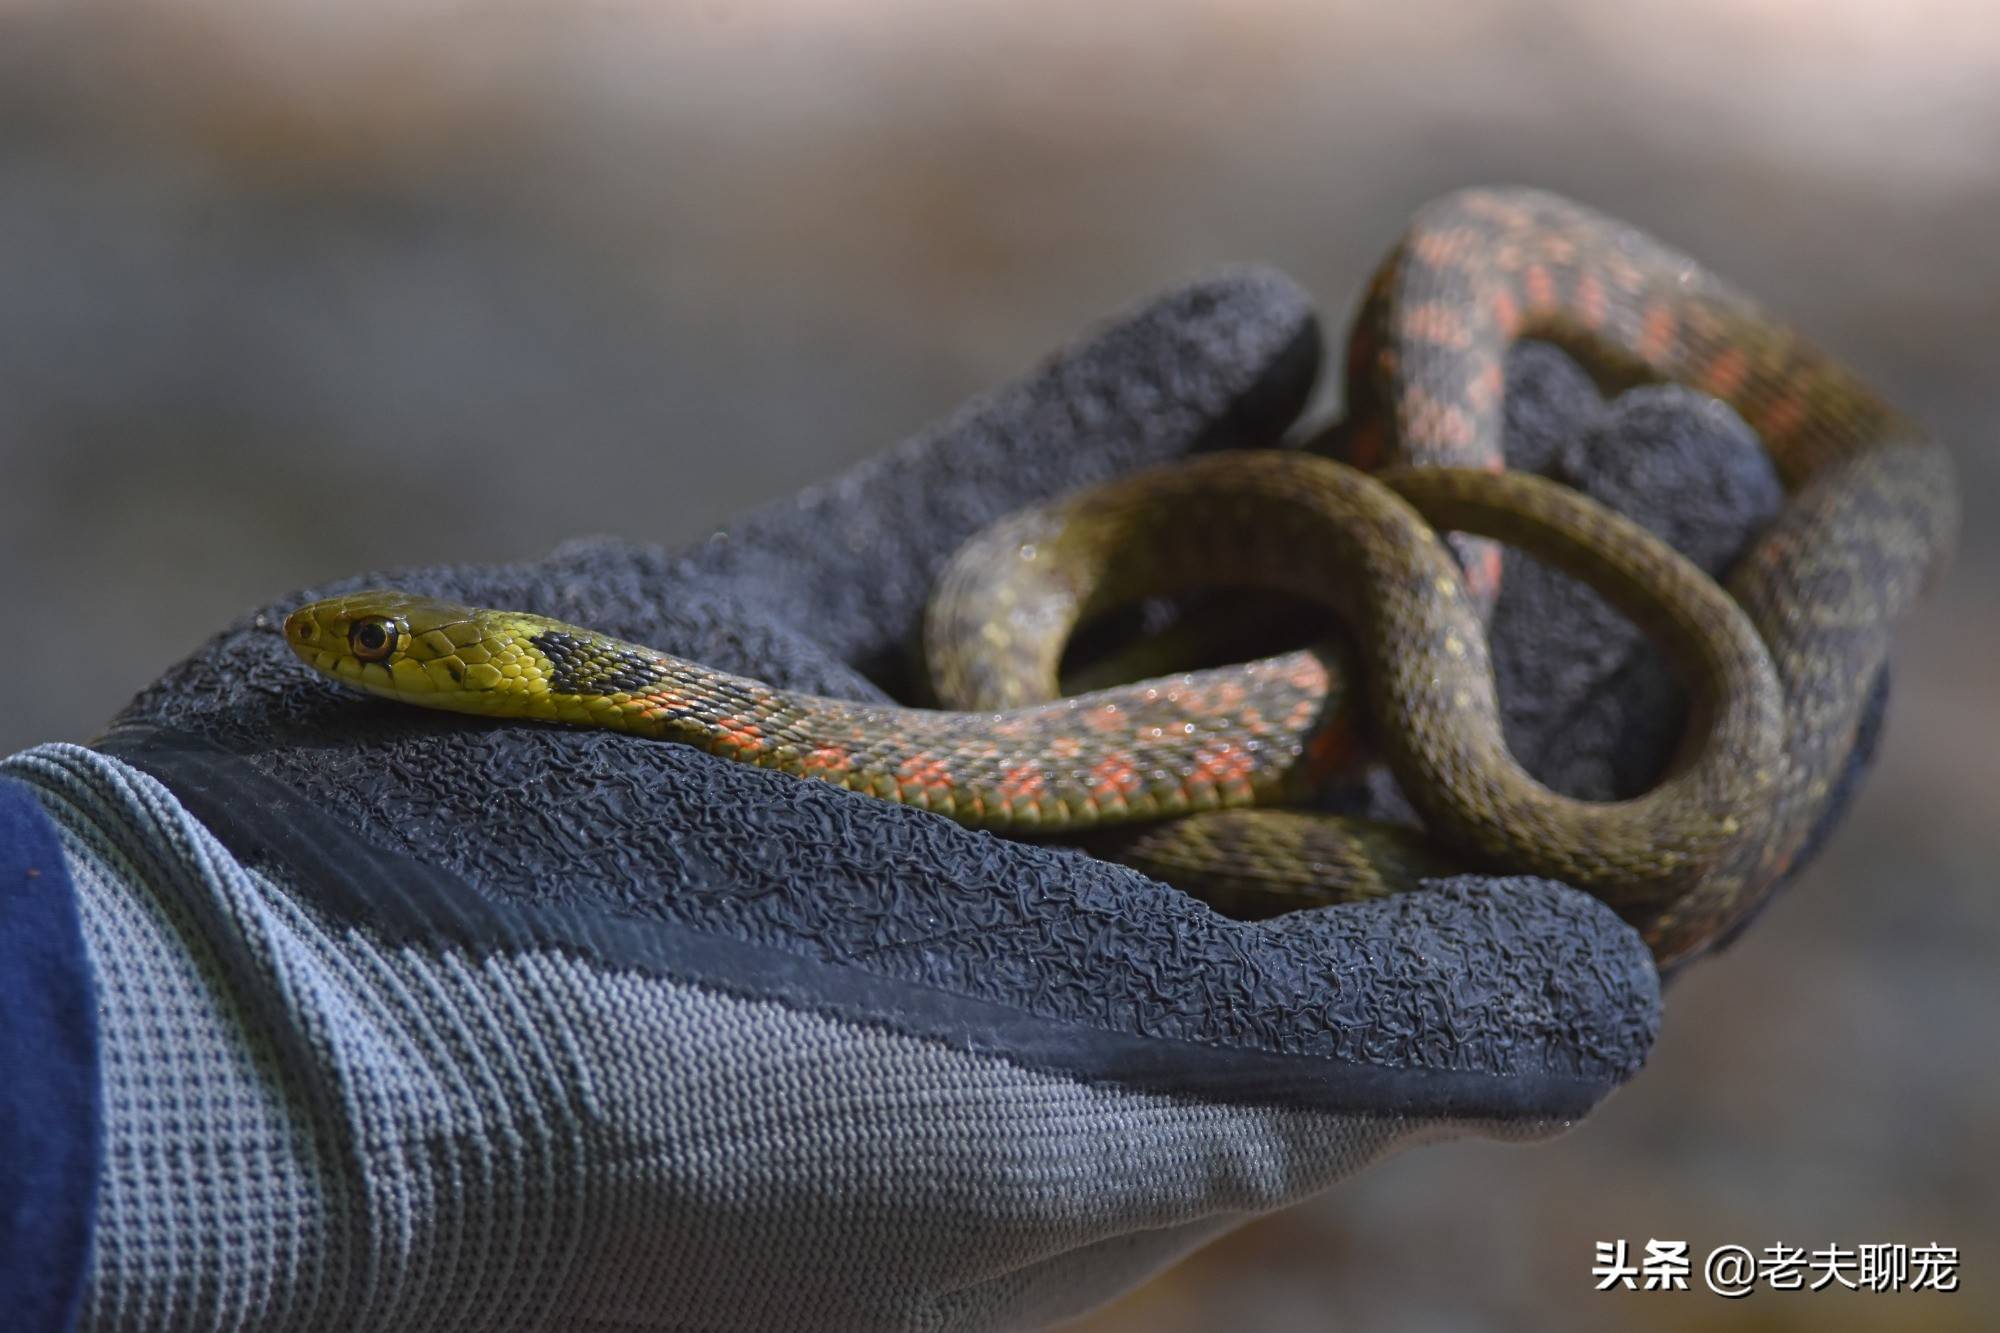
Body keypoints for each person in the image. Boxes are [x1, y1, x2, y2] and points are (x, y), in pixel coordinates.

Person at [0, 267, 1878, 1332]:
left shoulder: (728, 703)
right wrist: (205, 1011)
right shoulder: (843, 693)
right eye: (384, 645)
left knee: (1715, 571)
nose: (355, 644)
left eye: (393, 642)